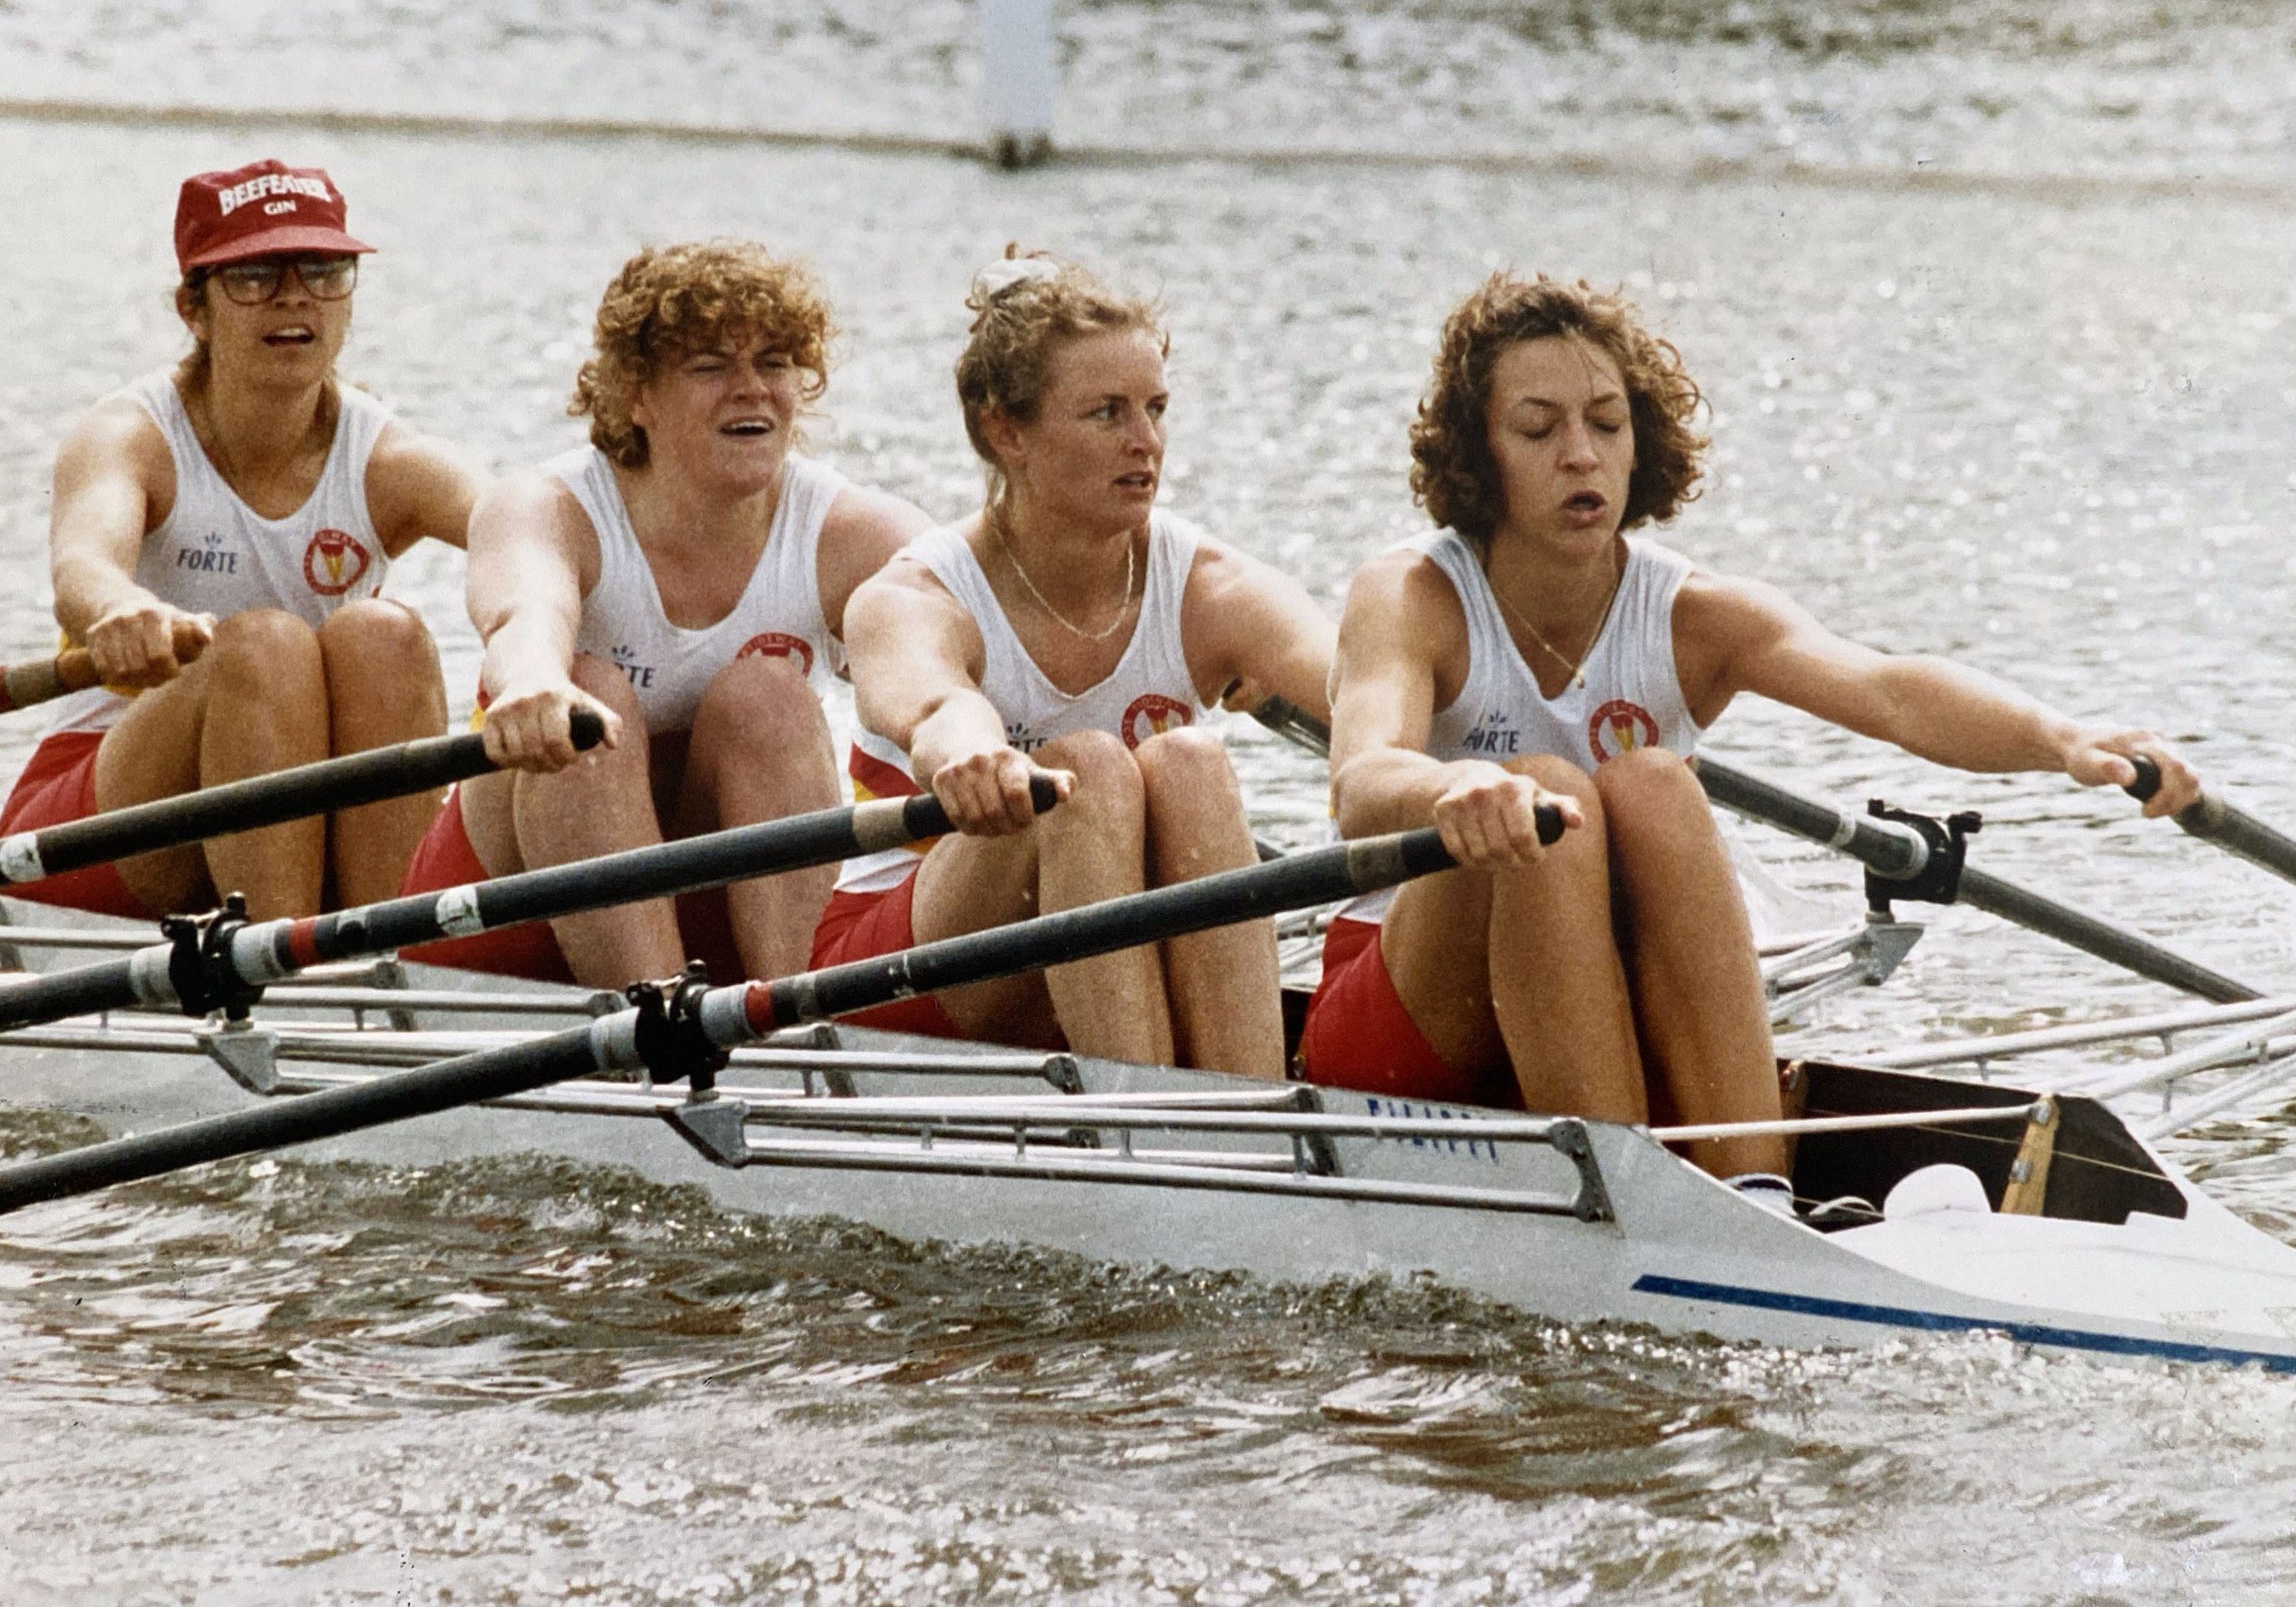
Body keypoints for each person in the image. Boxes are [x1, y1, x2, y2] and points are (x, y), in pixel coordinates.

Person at [1308, 271, 2202, 1195]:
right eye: (1538, 429)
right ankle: (1633, 1194)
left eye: (1607, 424)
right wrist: (1453, 791)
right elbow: (1362, 783)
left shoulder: (1692, 614)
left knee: (1655, 779)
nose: (1581, 455)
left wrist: (2061, 739)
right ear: (1478, 453)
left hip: (1594, 1013)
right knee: (1552, 789)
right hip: (1405, 1033)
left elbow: (1887, 689)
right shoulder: (1415, 593)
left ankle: (1751, 1191)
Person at [814, 253, 1338, 1076]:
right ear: (1006, 431)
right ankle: (1151, 1133)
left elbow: (1364, 693)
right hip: (898, 978)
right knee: (1085, 766)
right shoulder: (914, 593)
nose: (1146, 442)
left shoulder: (1207, 585)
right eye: (1106, 413)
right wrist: (968, 752)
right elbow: (929, 701)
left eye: (1157, 409)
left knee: (1192, 760)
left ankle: (1248, 1115)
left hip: (1092, 957)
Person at [396, 241, 929, 987]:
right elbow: (525, 612)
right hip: (513, 921)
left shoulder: (854, 533)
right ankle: (663, 1020)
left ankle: (806, 1031)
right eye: (711, 366)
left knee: (767, 697)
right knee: (590, 696)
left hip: (718, 910)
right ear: (635, 396)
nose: (752, 390)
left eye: (774, 363)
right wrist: (531, 684)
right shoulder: (549, 507)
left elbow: (970, 645)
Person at [0, 158, 487, 921]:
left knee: (385, 635)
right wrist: (120, 607)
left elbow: (533, 536)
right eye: (254, 274)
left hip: (299, 814)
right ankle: (282, 964)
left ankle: (388, 960)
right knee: (262, 645)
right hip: (98, 827)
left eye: (324, 270)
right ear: (194, 308)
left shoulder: (392, 459)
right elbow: (82, 566)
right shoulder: (131, 436)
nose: (295, 296)